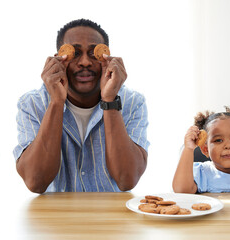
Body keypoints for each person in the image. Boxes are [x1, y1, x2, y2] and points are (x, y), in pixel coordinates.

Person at [13, 19, 149, 193]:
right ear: (58, 60)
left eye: (94, 53)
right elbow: (35, 182)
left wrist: (110, 100)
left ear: (106, 58)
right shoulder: (32, 103)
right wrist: (56, 102)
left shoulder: (132, 102)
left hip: (112, 217)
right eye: (75, 53)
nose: (85, 62)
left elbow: (126, 179)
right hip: (53, 216)